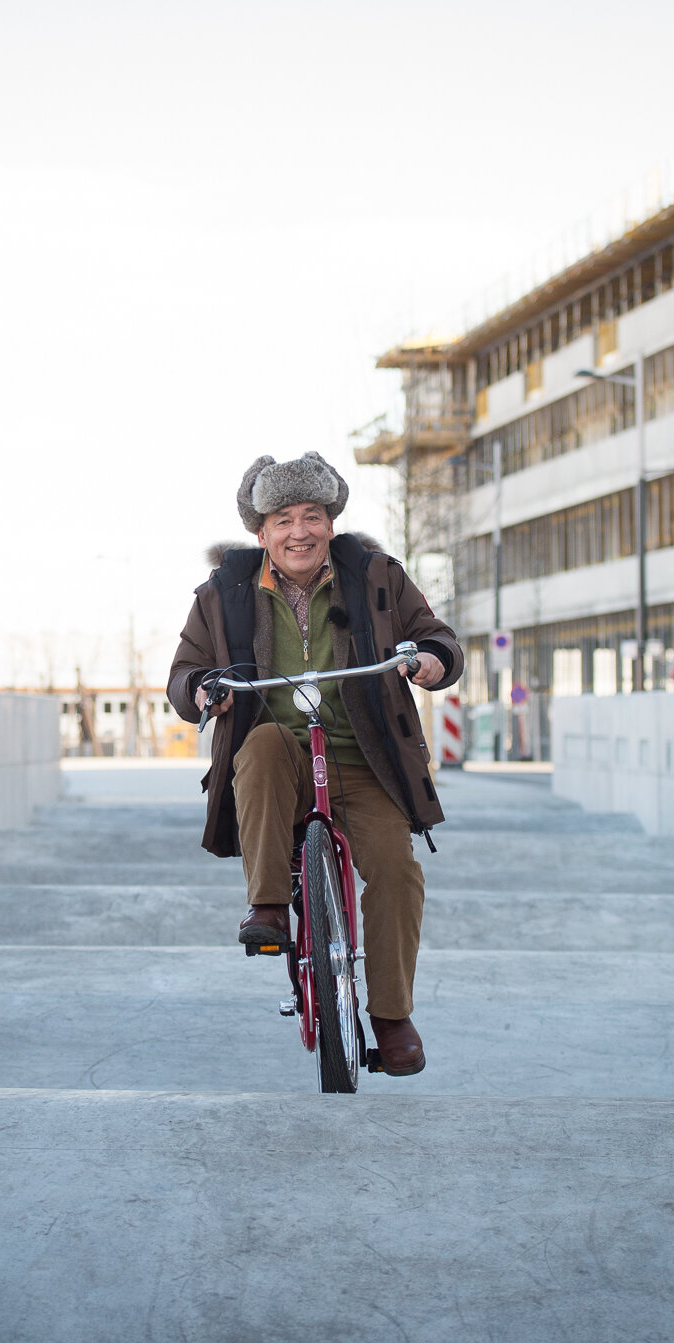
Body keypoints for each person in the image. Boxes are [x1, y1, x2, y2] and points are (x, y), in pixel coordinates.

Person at [167, 452, 462, 1076]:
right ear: (261, 532)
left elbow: (436, 637)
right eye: (282, 520)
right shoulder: (223, 594)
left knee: (397, 873)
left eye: (312, 516)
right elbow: (185, 671)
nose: (299, 531)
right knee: (267, 745)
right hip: (277, 755)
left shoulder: (376, 576)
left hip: (365, 758)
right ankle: (269, 908)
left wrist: (431, 660)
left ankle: (390, 1016)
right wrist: (200, 690)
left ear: (331, 521)